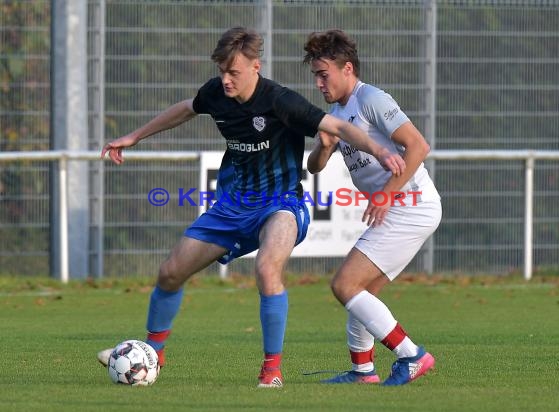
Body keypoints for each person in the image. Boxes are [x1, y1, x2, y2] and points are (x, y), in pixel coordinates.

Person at [97, 26, 406, 388]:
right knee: (170, 271)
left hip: (281, 204)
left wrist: (381, 150)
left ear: (255, 67)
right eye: (222, 72)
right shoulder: (216, 94)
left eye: (234, 73)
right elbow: (184, 109)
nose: (226, 80)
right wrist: (133, 137)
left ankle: (271, 371)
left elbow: (337, 125)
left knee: (266, 268)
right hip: (231, 206)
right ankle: (152, 354)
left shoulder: (280, 101)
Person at [303, 29, 442, 386]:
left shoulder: (372, 100)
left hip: (410, 205)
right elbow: (314, 167)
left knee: (345, 284)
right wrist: (324, 146)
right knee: (361, 291)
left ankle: (411, 354)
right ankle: (364, 372)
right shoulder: (336, 112)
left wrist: (386, 195)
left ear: (347, 68)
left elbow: (418, 146)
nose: (319, 83)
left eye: (324, 74)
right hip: (401, 207)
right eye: (316, 76)